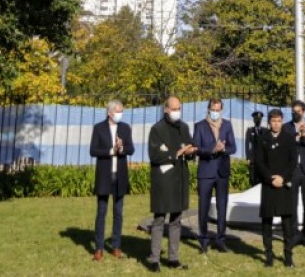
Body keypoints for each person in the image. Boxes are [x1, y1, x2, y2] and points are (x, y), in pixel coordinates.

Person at [147, 96, 197, 272]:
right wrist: (176, 153)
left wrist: (191, 152)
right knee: (160, 218)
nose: (177, 112)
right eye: (174, 109)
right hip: (163, 180)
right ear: (166, 109)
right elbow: (155, 155)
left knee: (176, 219)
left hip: (179, 178)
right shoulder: (157, 129)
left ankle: (173, 258)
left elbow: (190, 147)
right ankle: (154, 259)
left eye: (179, 109)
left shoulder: (184, 127)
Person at [89, 99, 135, 261]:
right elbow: (93, 150)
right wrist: (111, 150)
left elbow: (131, 149)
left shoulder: (125, 128)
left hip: (119, 176)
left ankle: (116, 246)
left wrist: (121, 148)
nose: (120, 114)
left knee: (118, 212)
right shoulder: (99, 128)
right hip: (104, 176)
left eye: (121, 111)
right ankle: (99, 248)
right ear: (109, 112)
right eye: (117, 111)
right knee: (101, 212)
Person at [192, 97, 237, 254]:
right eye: (213, 110)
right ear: (209, 109)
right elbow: (196, 148)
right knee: (203, 207)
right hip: (206, 172)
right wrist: (212, 150)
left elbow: (233, 147)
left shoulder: (227, 125)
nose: (215, 112)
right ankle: (203, 240)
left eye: (218, 110)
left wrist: (224, 149)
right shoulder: (200, 126)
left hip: (222, 172)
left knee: (222, 207)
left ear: (221, 110)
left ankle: (220, 240)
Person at [255, 108, 298, 268]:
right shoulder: (262, 138)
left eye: (279, 121)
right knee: (267, 222)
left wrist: (282, 178)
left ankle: (288, 257)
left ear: (282, 122)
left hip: (284, 184)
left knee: (287, 222)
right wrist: (270, 178)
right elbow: (259, 161)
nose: (276, 124)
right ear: (269, 122)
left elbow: (293, 161)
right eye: (273, 121)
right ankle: (269, 257)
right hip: (269, 185)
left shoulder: (289, 138)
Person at [283, 99, 305, 247]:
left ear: (303, 111)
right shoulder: (286, 127)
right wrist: (296, 135)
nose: (295, 114)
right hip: (292, 170)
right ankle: (294, 234)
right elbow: (285, 146)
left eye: (298, 111)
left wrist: (304, 136)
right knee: (292, 204)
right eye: (293, 111)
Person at [245, 110, 267, 186]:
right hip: (253, 159)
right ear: (253, 120)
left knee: (262, 179)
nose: (257, 120)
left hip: (262, 159)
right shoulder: (250, 130)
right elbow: (247, 144)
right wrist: (248, 157)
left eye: (259, 119)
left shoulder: (265, 131)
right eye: (256, 118)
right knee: (253, 179)